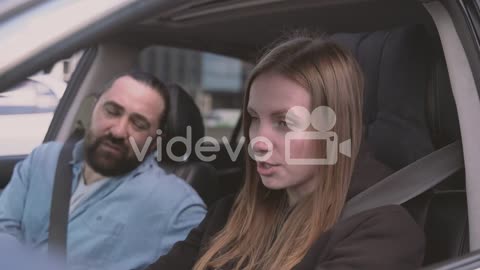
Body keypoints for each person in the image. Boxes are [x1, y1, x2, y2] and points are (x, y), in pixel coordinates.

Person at [148, 34, 425, 270]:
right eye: (254, 118)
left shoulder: (381, 232)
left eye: (284, 123)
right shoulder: (231, 213)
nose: (258, 141)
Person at [0, 70, 207, 270]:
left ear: (154, 142)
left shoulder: (178, 207)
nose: (118, 131)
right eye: (112, 111)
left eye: (139, 124)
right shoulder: (44, 159)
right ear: (93, 109)